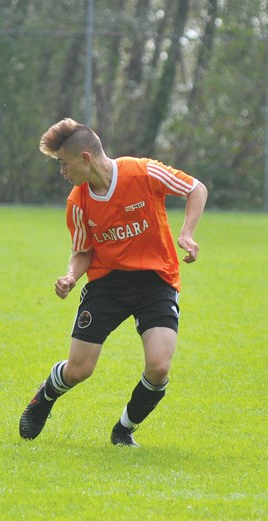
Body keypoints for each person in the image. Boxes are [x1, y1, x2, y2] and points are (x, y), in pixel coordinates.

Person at [19, 117, 207, 447]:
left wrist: (187, 233)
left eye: (63, 164)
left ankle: (123, 430)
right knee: (79, 370)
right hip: (107, 286)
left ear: (85, 158)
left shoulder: (142, 172)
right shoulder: (78, 202)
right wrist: (70, 276)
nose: (62, 173)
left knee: (159, 366)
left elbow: (195, 189)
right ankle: (44, 397)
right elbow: (82, 252)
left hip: (155, 281)